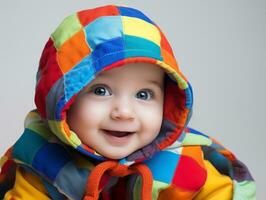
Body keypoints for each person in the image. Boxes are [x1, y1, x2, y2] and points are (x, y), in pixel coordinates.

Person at [0, 4, 256, 200]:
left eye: (144, 95)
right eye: (101, 90)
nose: (124, 112)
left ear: (167, 103)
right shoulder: (42, 163)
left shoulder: (181, 160)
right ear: (62, 102)